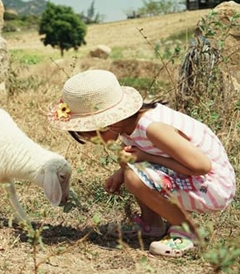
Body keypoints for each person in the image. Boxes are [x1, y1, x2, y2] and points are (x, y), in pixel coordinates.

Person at [47, 69, 236, 257]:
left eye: (93, 136)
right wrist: (120, 173)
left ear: (109, 124)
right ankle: (152, 224)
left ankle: (189, 232)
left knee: (135, 176)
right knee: (130, 168)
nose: (95, 142)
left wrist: (148, 158)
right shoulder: (128, 126)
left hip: (212, 186)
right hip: (194, 174)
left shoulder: (153, 128)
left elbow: (202, 166)